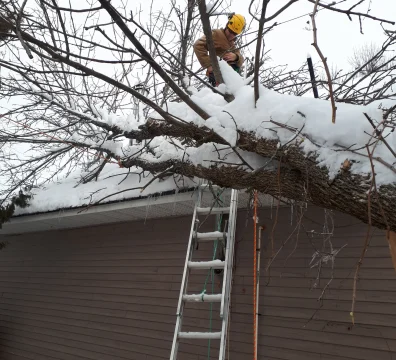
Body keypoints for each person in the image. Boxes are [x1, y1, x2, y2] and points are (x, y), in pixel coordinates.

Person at [193, 13, 245, 87]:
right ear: (227, 26)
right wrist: (209, 65)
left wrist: (236, 57)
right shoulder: (216, 33)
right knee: (219, 96)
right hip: (217, 75)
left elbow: (241, 60)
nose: (232, 35)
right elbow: (198, 45)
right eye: (230, 31)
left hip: (231, 78)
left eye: (234, 34)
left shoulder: (232, 44)